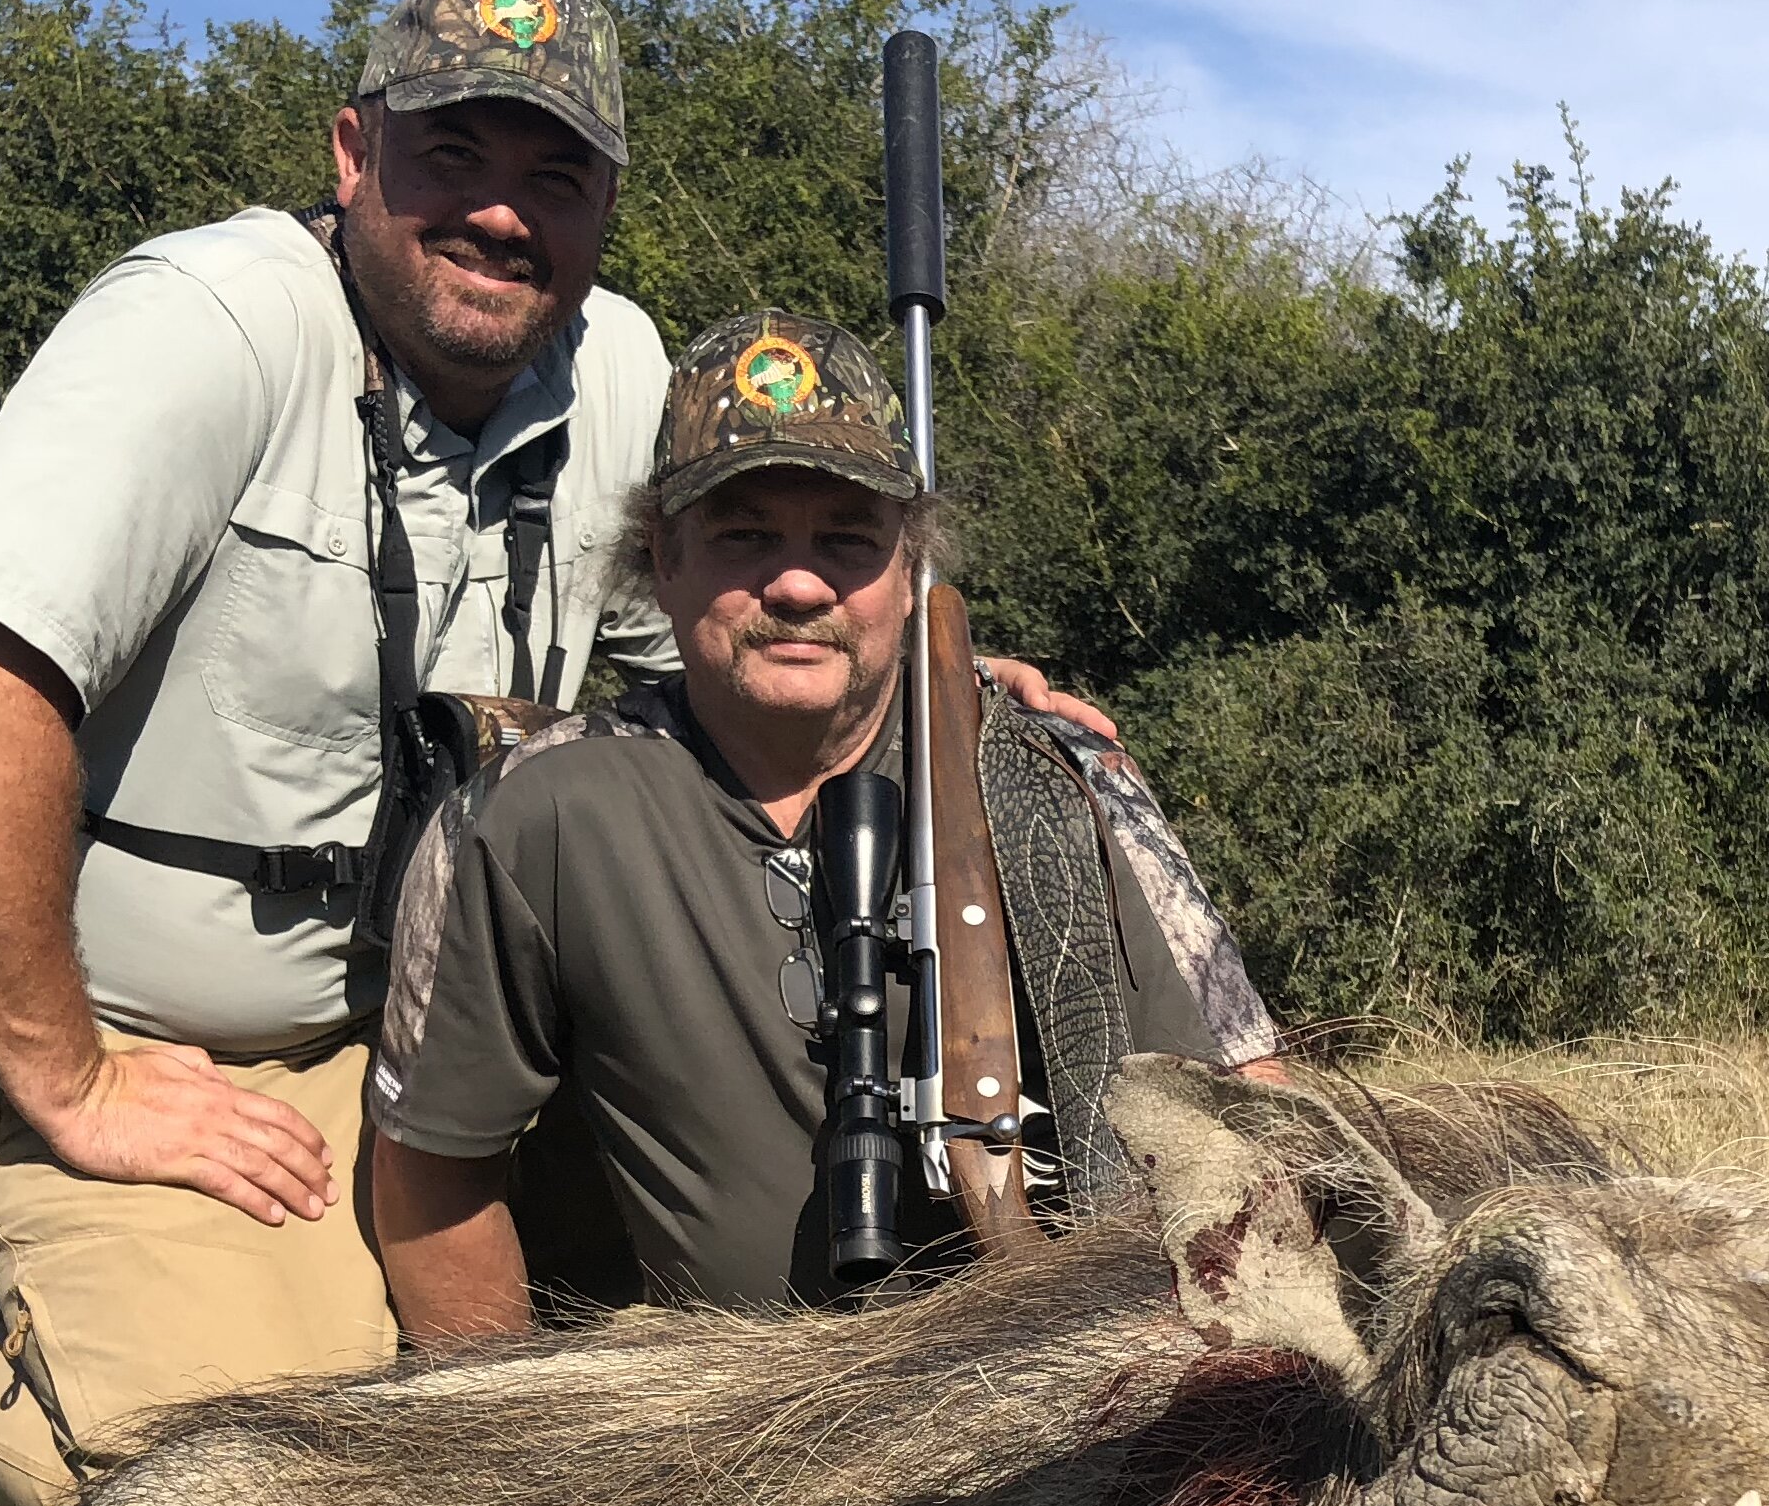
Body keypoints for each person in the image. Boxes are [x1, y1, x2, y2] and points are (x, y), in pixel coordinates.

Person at [0, 0, 1115, 1506]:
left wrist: (917, 678)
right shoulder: (209, 326)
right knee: (224, 1488)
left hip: (439, 1054)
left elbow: (715, 677)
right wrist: (79, 1084)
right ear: (352, 153)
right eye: (452, 153)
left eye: (557, 171)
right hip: (156, 1046)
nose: (502, 210)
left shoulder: (616, 365)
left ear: (607, 203)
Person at [368, 310, 1279, 1328]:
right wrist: (526, 1456)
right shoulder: (532, 816)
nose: (798, 583)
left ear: (909, 569)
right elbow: (431, 1175)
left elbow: (1251, 1111)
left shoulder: (1055, 776)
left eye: (846, 540)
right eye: (743, 535)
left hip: (1054, 1408)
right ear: (661, 558)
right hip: (698, 1441)